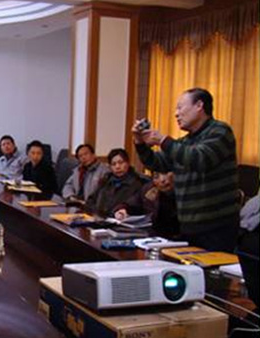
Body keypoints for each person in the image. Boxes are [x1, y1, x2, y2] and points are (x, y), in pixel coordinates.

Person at [133, 87, 239, 252]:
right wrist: (140, 143)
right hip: (188, 226)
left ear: (199, 106)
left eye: (180, 107)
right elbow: (155, 163)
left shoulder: (220, 131)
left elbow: (199, 159)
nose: (176, 114)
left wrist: (163, 140)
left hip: (217, 227)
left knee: (215, 268)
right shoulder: (184, 142)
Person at [114, 172, 180, 238]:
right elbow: (133, 203)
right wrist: (123, 209)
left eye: (165, 174)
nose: (162, 180)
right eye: (156, 177)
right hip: (154, 236)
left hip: (179, 236)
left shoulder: (182, 190)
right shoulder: (149, 189)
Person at [86, 148, 145, 217]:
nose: (117, 167)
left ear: (128, 163)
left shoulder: (137, 183)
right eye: (113, 164)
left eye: (121, 163)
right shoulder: (105, 181)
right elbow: (91, 200)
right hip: (100, 219)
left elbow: (135, 206)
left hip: (122, 220)